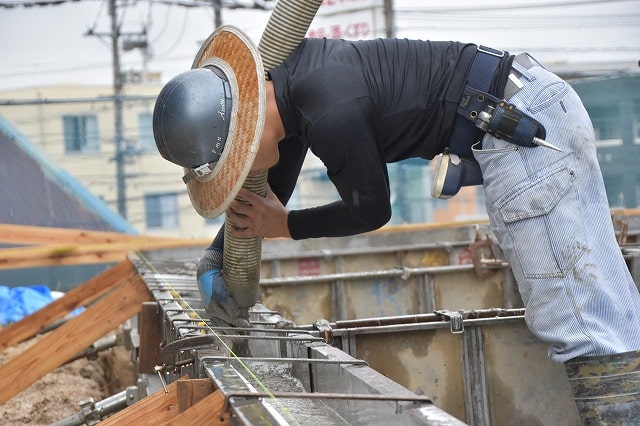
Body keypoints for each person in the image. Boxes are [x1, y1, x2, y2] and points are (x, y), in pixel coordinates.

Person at [153, 28, 640, 422]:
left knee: (582, 324)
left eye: (235, 166)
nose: (242, 178)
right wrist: (222, 250)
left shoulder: (331, 113)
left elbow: (370, 209)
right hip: (526, 107)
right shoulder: (288, 80)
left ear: (247, 128)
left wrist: (287, 227)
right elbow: (279, 160)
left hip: (522, 132)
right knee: (605, 307)